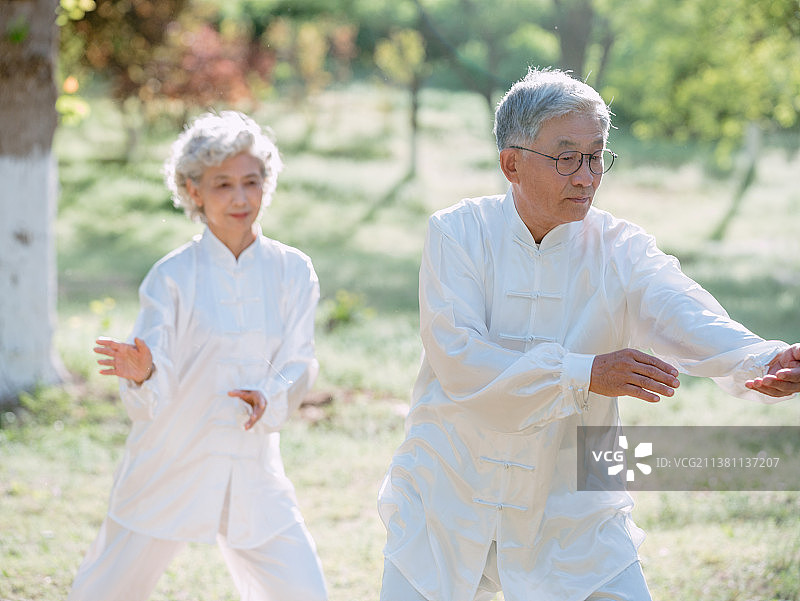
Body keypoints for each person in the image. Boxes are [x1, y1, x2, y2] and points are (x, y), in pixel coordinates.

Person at [377, 67, 800, 601]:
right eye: (566, 157)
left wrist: (762, 358)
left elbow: (681, 309)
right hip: (448, 495)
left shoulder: (621, 247)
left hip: (573, 504)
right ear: (511, 163)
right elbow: (461, 361)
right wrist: (585, 373)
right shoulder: (458, 234)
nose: (587, 176)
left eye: (597, 155)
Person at [68, 111, 328, 601]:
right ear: (193, 191)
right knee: (105, 591)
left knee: (303, 591)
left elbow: (300, 361)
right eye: (223, 184)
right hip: (170, 459)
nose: (241, 198)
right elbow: (151, 367)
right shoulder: (171, 277)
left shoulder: (294, 271)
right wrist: (144, 374)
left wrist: (270, 398)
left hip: (252, 470)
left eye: (252, 182)